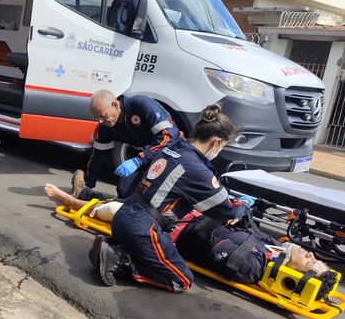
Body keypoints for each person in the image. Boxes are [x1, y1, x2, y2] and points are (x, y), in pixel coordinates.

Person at [93, 104, 249, 292]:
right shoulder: (197, 169)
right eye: (222, 146)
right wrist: (243, 205)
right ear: (216, 142)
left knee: (160, 253)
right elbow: (226, 208)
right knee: (180, 280)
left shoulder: (174, 146)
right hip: (144, 228)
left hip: (124, 215)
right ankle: (121, 259)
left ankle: (115, 248)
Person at [44, 185, 332, 285]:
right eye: (312, 255)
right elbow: (247, 228)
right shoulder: (271, 249)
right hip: (189, 216)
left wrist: (228, 223)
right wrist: (239, 213)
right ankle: (83, 192)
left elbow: (214, 247)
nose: (309, 253)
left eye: (309, 262)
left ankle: (72, 201)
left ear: (295, 274)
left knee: (121, 211)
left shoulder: (255, 266)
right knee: (136, 198)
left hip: (178, 230)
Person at [72, 90, 182, 200]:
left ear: (115, 105)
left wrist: (138, 160)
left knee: (154, 197)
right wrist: (89, 186)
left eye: (103, 116)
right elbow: (98, 156)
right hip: (145, 155)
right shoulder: (105, 126)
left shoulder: (141, 105)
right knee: (124, 191)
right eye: (97, 118)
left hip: (171, 154)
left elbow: (168, 139)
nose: (100, 121)